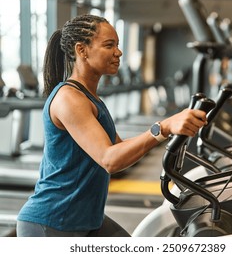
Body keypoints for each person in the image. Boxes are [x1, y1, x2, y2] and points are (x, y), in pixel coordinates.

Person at [16, 14, 208, 237]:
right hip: (52, 223)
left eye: (117, 44)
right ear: (81, 50)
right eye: (109, 45)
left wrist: (170, 129)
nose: (119, 52)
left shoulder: (91, 98)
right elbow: (110, 160)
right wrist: (163, 127)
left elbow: (121, 152)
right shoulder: (69, 98)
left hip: (86, 219)